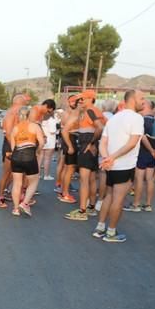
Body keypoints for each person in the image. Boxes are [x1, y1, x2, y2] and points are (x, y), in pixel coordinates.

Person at [92, 89, 146, 243]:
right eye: (141, 98)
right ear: (131, 100)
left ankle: (100, 228)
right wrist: (111, 158)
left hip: (111, 166)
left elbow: (103, 143)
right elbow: (132, 143)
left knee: (108, 196)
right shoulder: (136, 118)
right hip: (124, 165)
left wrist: (106, 158)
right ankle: (111, 233)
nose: (144, 102)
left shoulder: (114, 118)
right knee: (118, 199)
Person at [65, 91, 104, 220]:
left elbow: (100, 127)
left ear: (90, 99)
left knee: (84, 179)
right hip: (89, 145)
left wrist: (91, 143)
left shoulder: (90, 111)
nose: (80, 101)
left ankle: (82, 211)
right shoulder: (92, 111)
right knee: (91, 178)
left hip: (87, 146)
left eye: (82, 99)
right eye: (79, 99)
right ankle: (91, 207)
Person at [126, 101, 155, 213]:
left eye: (144, 103)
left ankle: (136, 204)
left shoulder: (141, 120)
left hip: (143, 152)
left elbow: (142, 137)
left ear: (147, 107)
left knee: (139, 178)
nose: (141, 104)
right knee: (150, 179)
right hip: (153, 154)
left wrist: (150, 150)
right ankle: (148, 204)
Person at [8, 105, 45, 217]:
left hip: (16, 157)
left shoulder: (15, 128)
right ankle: (24, 203)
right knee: (34, 181)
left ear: (19, 116)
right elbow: (42, 143)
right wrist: (37, 151)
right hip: (29, 156)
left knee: (17, 183)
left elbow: (13, 147)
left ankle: (15, 209)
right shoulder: (35, 126)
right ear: (29, 115)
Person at [0, 94, 30, 208]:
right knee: (7, 173)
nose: (26, 104)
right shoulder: (11, 113)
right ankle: (0, 197)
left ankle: (8, 193)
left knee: (14, 173)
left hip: (18, 145)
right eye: (24, 102)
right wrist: (15, 147)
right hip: (11, 146)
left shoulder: (18, 113)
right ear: (19, 102)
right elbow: (8, 133)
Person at [58, 94, 81, 203]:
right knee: (70, 168)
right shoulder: (73, 114)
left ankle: (63, 190)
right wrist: (70, 146)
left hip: (69, 139)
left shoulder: (69, 113)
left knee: (67, 167)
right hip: (70, 139)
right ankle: (65, 193)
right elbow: (65, 129)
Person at [39, 99, 58, 180]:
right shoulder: (51, 118)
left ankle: (38, 174)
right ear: (52, 108)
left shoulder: (40, 116)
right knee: (47, 158)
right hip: (50, 140)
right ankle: (46, 175)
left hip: (41, 138)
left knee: (40, 158)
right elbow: (53, 131)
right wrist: (58, 130)